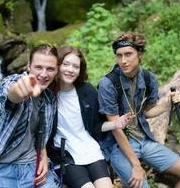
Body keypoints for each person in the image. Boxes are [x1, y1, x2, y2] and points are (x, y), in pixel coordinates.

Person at [98, 32, 180, 188]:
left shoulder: (147, 78)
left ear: (139, 54)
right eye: (119, 56)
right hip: (118, 146)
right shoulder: (108, 84)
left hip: (144, 141)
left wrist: (168, 103)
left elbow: (148, 111)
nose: (123, 61)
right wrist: (136, 166)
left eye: (128, 54)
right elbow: (116, 128)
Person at [0, 44, 59, 188]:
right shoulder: (11, 82)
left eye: (50, 69)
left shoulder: (49, 100)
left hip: (32, 168)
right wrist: (19, 90)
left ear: (56, 70)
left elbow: (39, 134)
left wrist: (43, 156)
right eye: (38, 67)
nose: (43, 74)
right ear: (29, 66)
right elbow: (12, 94)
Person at [47, 46, 134, 188]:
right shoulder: (48, 93)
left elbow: (96, 125)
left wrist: (116, 124)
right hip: (65, 155)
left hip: (90, 151)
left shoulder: (86, 90)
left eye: (75, 66)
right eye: (66, 64)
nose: (70, 70)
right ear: (57, 64)